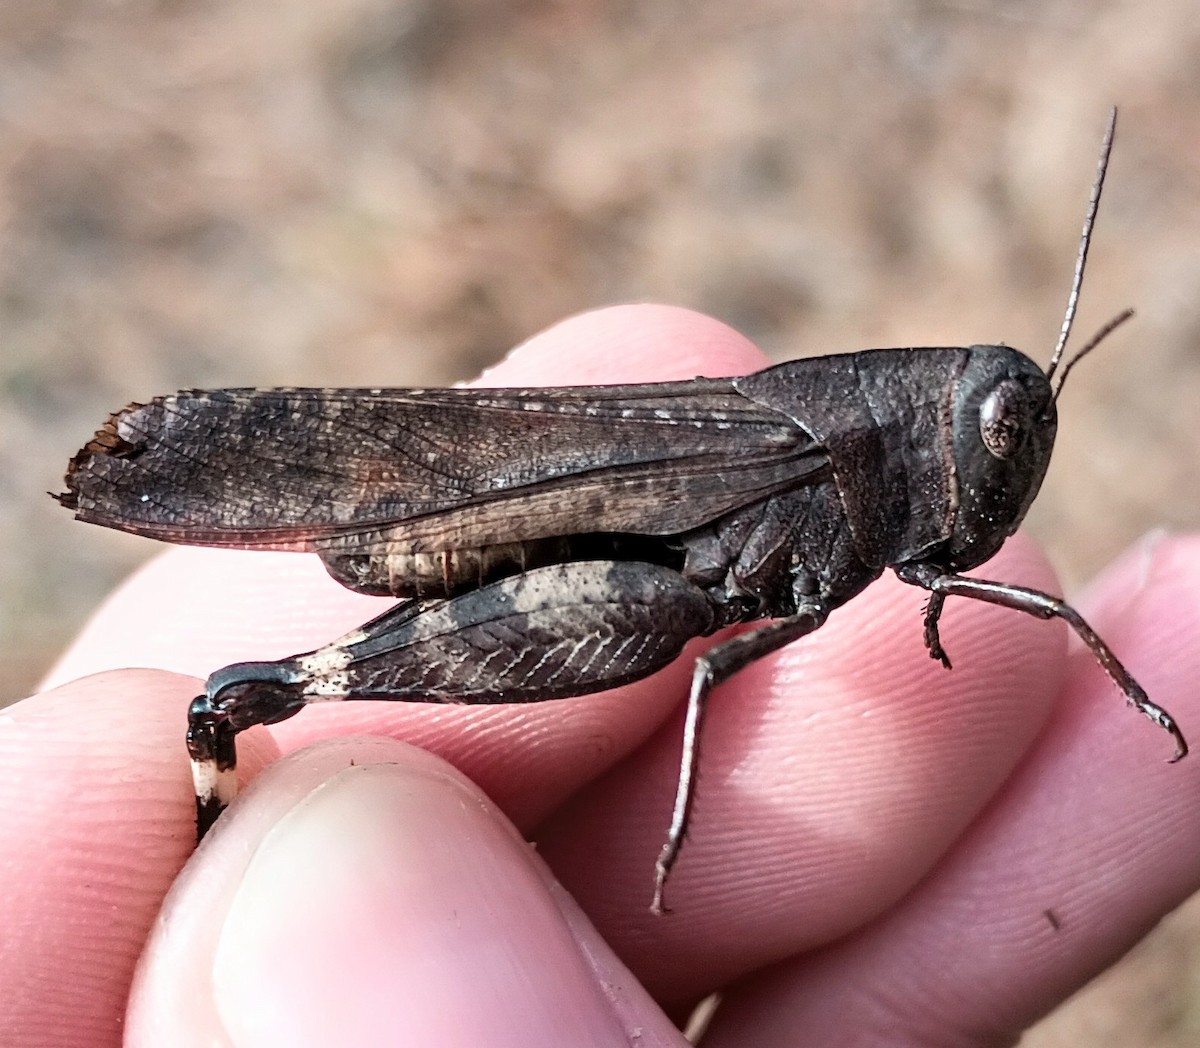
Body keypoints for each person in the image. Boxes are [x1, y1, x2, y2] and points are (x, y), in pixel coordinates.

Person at [4, 305, 1198, 1047]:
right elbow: (713, 658)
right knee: (258, 687)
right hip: (559, 543)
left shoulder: (867, 475)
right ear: (923, 427)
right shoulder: (798, 444)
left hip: (665, 587)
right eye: (1000, 433)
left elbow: (750, 646)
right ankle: (240, 768)